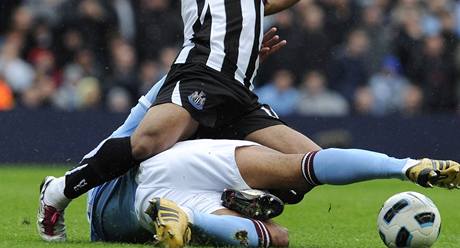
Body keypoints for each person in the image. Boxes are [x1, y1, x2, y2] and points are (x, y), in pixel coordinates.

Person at [37, 23, 291, 242]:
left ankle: (225, 205)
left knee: (274, 234)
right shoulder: (184, 79)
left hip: (175, 195)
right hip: (115, 194)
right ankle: (61, 190)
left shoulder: (238, 97)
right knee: (151, 146)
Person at [81, 138, 460, 247]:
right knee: (301, 169)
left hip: (155, 175)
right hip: (144, 193)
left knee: (294, 177)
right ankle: (405, 165)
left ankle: (190, 218)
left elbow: (137, 129)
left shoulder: (181, 92)